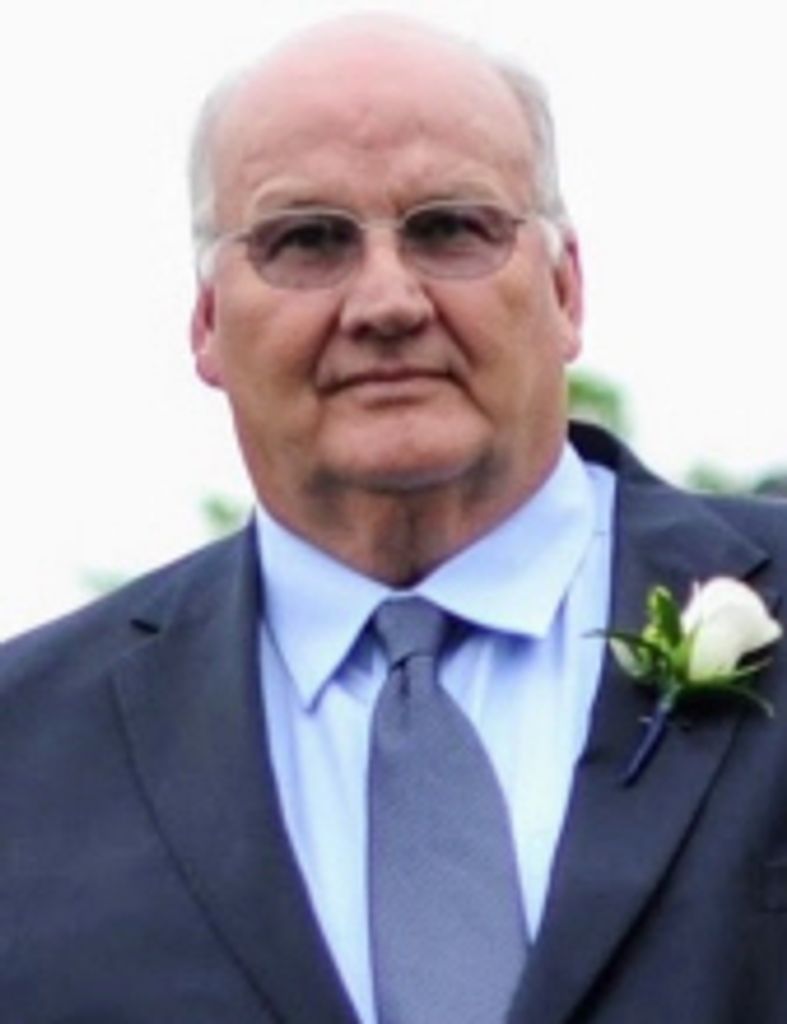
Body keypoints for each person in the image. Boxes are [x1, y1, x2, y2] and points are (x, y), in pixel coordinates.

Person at [2, 14, 787, 1024]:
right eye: (306, 240)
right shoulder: (25, 750)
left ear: (564, 289)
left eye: (450, 229)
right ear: (206, 324)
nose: (386, 302)